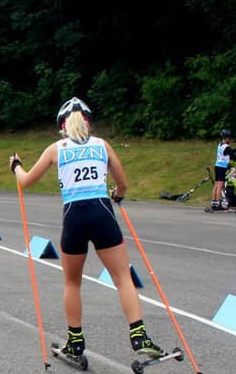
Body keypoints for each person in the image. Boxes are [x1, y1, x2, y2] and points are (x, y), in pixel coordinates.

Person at [11, 97, 166, 360]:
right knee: (122, 278)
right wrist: (117, 195)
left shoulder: (56, 149)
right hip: (101, 212)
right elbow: (123, 184)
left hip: (74, 216)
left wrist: (15, 166)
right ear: (88, 123)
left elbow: (25, 181)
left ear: (62, 126)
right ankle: (139, 334)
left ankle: (75, 340)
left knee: (72, 282)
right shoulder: (101, 145)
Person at [210, 129, 236, 210]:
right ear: (225, 138)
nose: (230, 140)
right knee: (220, 186)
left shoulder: (220, 145)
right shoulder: (226, 147)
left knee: (216, 185)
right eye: (229, 138)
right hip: (222, 168)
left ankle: (213, 202)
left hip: (217, 166)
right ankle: (219, 204)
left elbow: (230, 152)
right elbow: (233, 156)